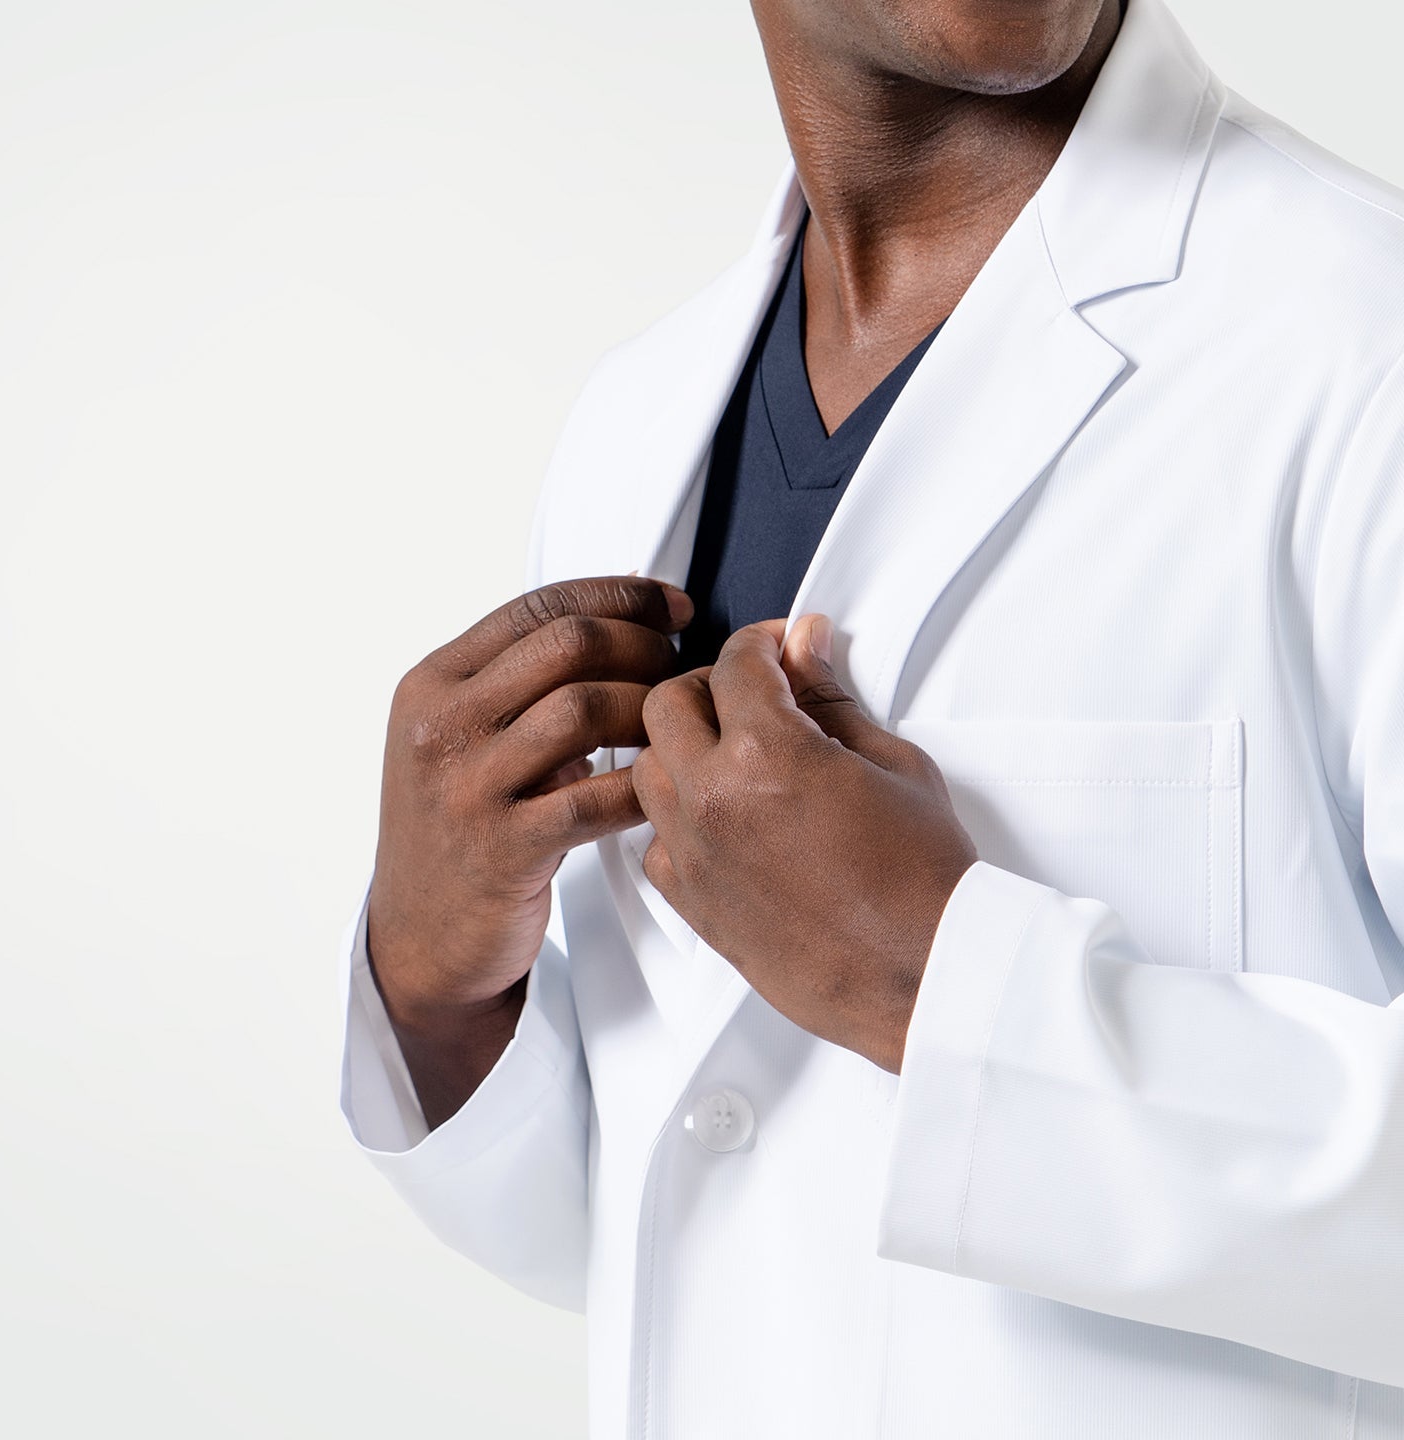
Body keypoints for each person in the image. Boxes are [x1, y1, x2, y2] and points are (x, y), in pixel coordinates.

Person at [340, 0, 1404, 1432]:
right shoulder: (636, 424)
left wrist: (936, 983)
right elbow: (689, 1213)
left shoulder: (1365, 351)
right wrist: (437, 997)